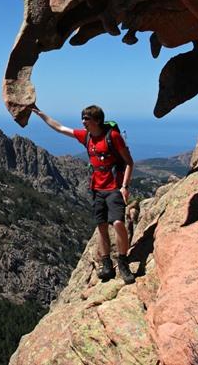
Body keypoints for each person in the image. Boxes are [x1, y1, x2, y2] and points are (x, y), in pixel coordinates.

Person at [31, 104, 136, 284]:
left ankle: (123, 263)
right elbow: (60, 128)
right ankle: (107, 265)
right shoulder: (86, 136)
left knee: (118, 223)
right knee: (102, 227)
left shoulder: (113, 136)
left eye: (86, 119)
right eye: (82, 118)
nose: (83, 122)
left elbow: (129, 162)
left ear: (96, 120)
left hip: (114, 187)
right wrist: (41, 114)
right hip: (97, 189)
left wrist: (125, 186)